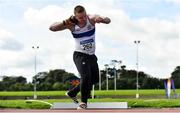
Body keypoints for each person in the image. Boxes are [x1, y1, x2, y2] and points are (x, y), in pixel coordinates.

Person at [49, 5, 111, 110]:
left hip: (91, 56)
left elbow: (108, 20)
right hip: (80, 55)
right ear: (75, 17)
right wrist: (65, 22)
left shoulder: (91, 19)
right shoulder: (71, 24)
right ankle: (83, 103)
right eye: (80, 18)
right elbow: (52, 28)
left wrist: (103, 19)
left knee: (94, 79)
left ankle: (72, 92)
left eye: (84, 16)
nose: (82, 19)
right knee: (86, 77)